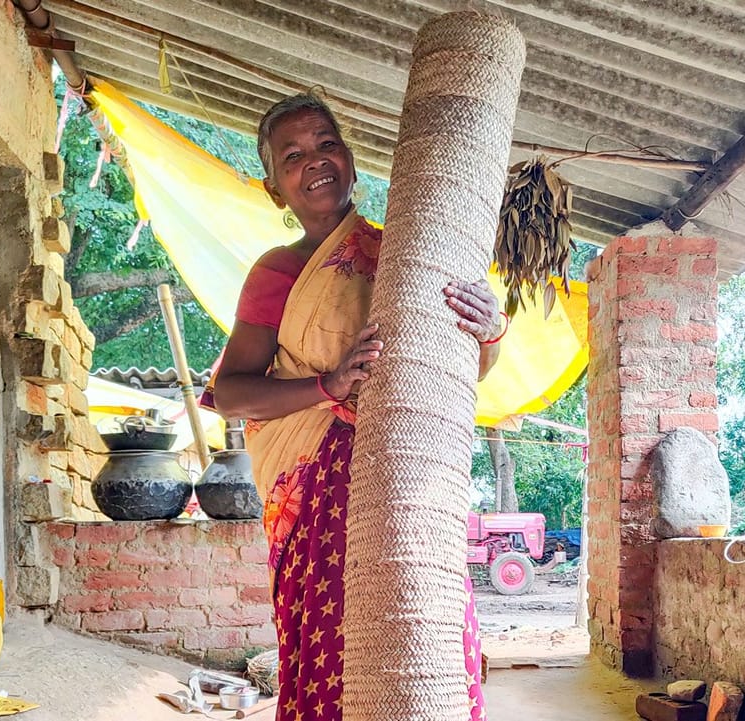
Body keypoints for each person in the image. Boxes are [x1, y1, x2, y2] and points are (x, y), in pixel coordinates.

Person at [213, 94, 505, 721]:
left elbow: (455, 374)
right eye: (292, 155)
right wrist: (329, 384)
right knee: (332, 645)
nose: (313, 161)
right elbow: (233, 391)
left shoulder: (406, 254)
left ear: (349, 157)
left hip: (411, 478)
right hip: (316, 488)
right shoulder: (278, 272)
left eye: (326, 143)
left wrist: (490, 332)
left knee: (427, 635)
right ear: (274, 187)